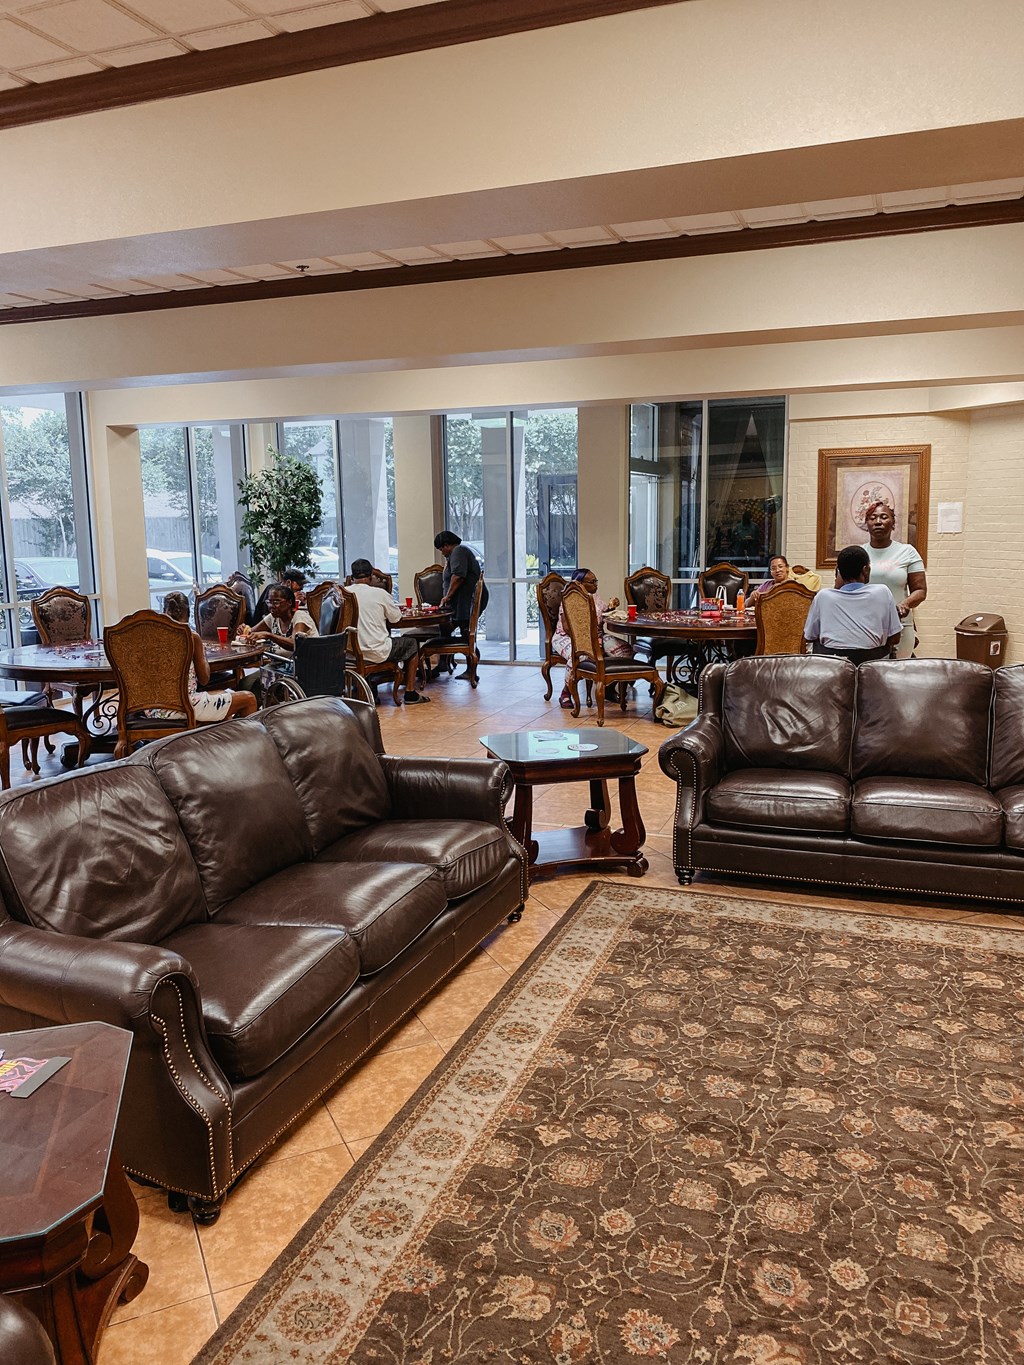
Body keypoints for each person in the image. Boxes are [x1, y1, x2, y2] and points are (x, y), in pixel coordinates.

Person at [155, 592, 257, 722]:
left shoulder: (152, 636)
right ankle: (245, 740)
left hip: (153, 709)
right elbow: (204, 679)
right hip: (184, 707)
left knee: (223, 695)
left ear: (164, 612)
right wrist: (200, 651)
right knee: (249, 699)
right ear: (189, 613)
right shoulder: (191, 636)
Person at [803, 545, 903, 663]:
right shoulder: (882, 592)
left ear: (838, 572)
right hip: (871, 666)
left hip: (832, 667)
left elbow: (809, 636)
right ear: (866, 569)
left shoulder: (823, 596)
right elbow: (895, 638)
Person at [348, 558, 429, 703]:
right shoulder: (380, 594)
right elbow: (395, 619)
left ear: (352, 577)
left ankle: (365, 686)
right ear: (371, 576)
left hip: (350, 653)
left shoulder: (342, 594)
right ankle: (410, 692)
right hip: (377, 651)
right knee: (411, 644)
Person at [552, 568, 631, 708]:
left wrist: (611, 608)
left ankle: (609, 688)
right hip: (567, 637)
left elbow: (602, 614)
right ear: (580, 583)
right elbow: (567, 627)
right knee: (579, 655)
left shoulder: (594, 596)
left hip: (596, 636)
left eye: (596, 581)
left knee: (624, 651)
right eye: (592, 582)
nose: (596, 584)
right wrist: (587, 641)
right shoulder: (570, 598)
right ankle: (566, 692)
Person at [861, 500, 927, 659]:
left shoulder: (907, 552)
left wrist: (905, 604)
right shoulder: (859, 553)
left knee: (898, 675)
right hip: (865, 626)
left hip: (900, 625)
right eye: (872, 518)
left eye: (884, 517)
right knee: (870, 675)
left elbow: (920, 590)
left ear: (893, 523)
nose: (878, 522)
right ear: (867, 524)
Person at [435, 531, 482, 637]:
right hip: (461, 602)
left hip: (464, 603)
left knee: (449, 629)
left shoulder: (458, 551)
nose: (442, 553)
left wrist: (447, 597)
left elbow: (458, 576)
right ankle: (451, 652)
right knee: (448, 629)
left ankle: (445, 651)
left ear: (446, 545)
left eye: (441, 549)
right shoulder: (457, 553)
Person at [246, 582, 317, 651]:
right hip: (281, 661)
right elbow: (251, 632)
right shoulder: (273, 617)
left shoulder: (300, 616)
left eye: (276, 602)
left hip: (304, 662)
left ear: (289, 602)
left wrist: (269, 635)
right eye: (269, 602)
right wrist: (244, 629)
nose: (271, 606)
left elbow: (295, 644)